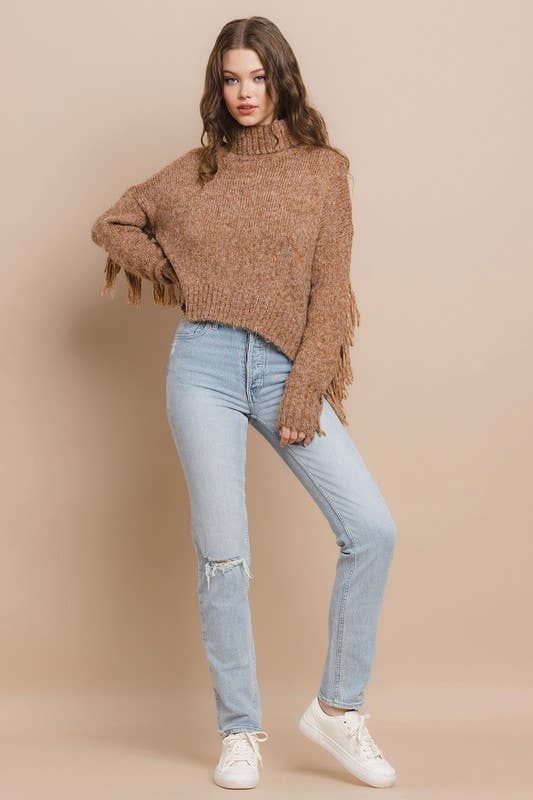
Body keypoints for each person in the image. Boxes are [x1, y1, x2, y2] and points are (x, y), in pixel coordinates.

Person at [90, 15, 398, 792]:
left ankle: (338, 711)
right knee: (223, 558)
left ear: (280, 80)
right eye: (230, 79)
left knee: (371, 529)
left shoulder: (322, 170)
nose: (244, 93)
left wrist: (305, 384)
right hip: (203, 366)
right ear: (217, 86)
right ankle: (238, 731)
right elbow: (113, 222)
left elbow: (330, 289)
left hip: (285, 368)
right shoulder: (197, 171)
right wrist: (180, 275)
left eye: (257, 77)